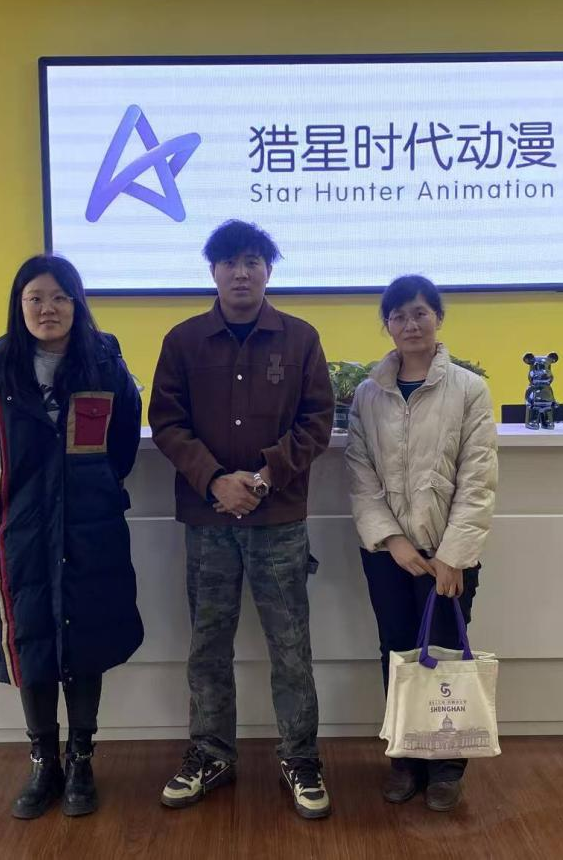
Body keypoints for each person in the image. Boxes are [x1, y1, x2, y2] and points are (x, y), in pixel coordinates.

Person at [149, 220, 335, 820]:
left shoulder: (300, 339)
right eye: (229, 262)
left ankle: (300, 758)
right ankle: (210, 754)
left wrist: (262, 477)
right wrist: (214, 480)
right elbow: (167, 423)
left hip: (278, 519)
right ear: (213, 271)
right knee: (207, 645)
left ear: (268, 271)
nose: (241, 273)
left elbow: (317, 422)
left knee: (290, 647)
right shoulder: (183, 341)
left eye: (253, 261)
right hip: (208, 521)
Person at [0, 254, 143, 820]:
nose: (48, 308)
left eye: (61, 297)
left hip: (91, 524)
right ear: (19, 305)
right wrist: (18, 503)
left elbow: (122, 446)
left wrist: (87, 489)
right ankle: (44, 762)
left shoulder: (104, 365)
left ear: (77, 304)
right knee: (31, 639)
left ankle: (81, 759)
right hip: (21, 531)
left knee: (86, 639)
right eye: (35, 297)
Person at [344, 274, 497, 812]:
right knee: (398, 652)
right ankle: (405, 756)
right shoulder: (368, 394)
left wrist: (452, 556)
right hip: (389, 556)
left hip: (448, 557)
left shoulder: (469, 389)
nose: (410, 324)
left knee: (445, 653)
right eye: (399, 315)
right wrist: (391, 541)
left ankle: (447, 766)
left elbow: (478, 480)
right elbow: (360, 474)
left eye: (420, 313)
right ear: (387, 325)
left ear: (438, 319)